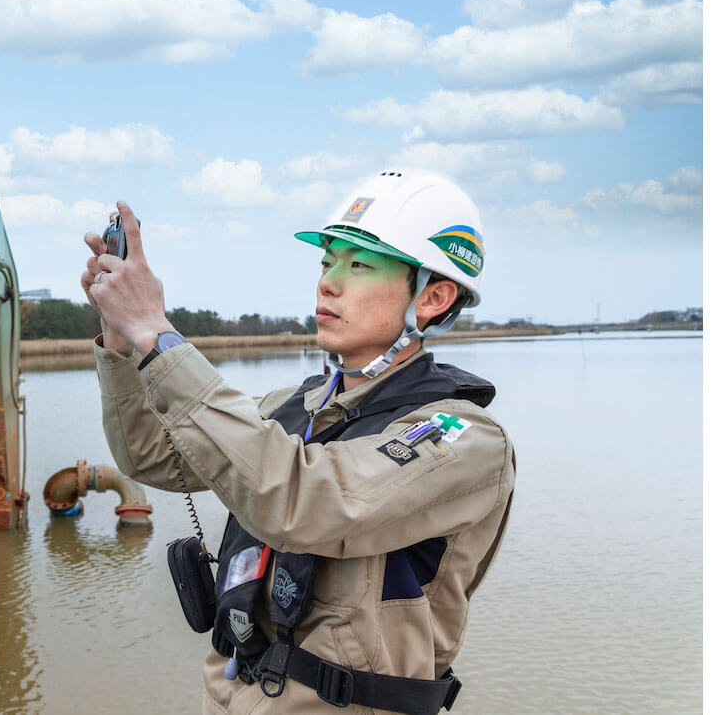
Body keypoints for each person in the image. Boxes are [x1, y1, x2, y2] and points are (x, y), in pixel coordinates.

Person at [80, 169, 515, 715]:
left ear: (433, 297)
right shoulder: (291, 407)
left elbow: (307, 502)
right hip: (233, 697)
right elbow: (150, 454)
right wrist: (120, 337)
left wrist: (155, 332)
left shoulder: (462, 436)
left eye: (358, 264)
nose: (328, 282)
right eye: (327, 261)